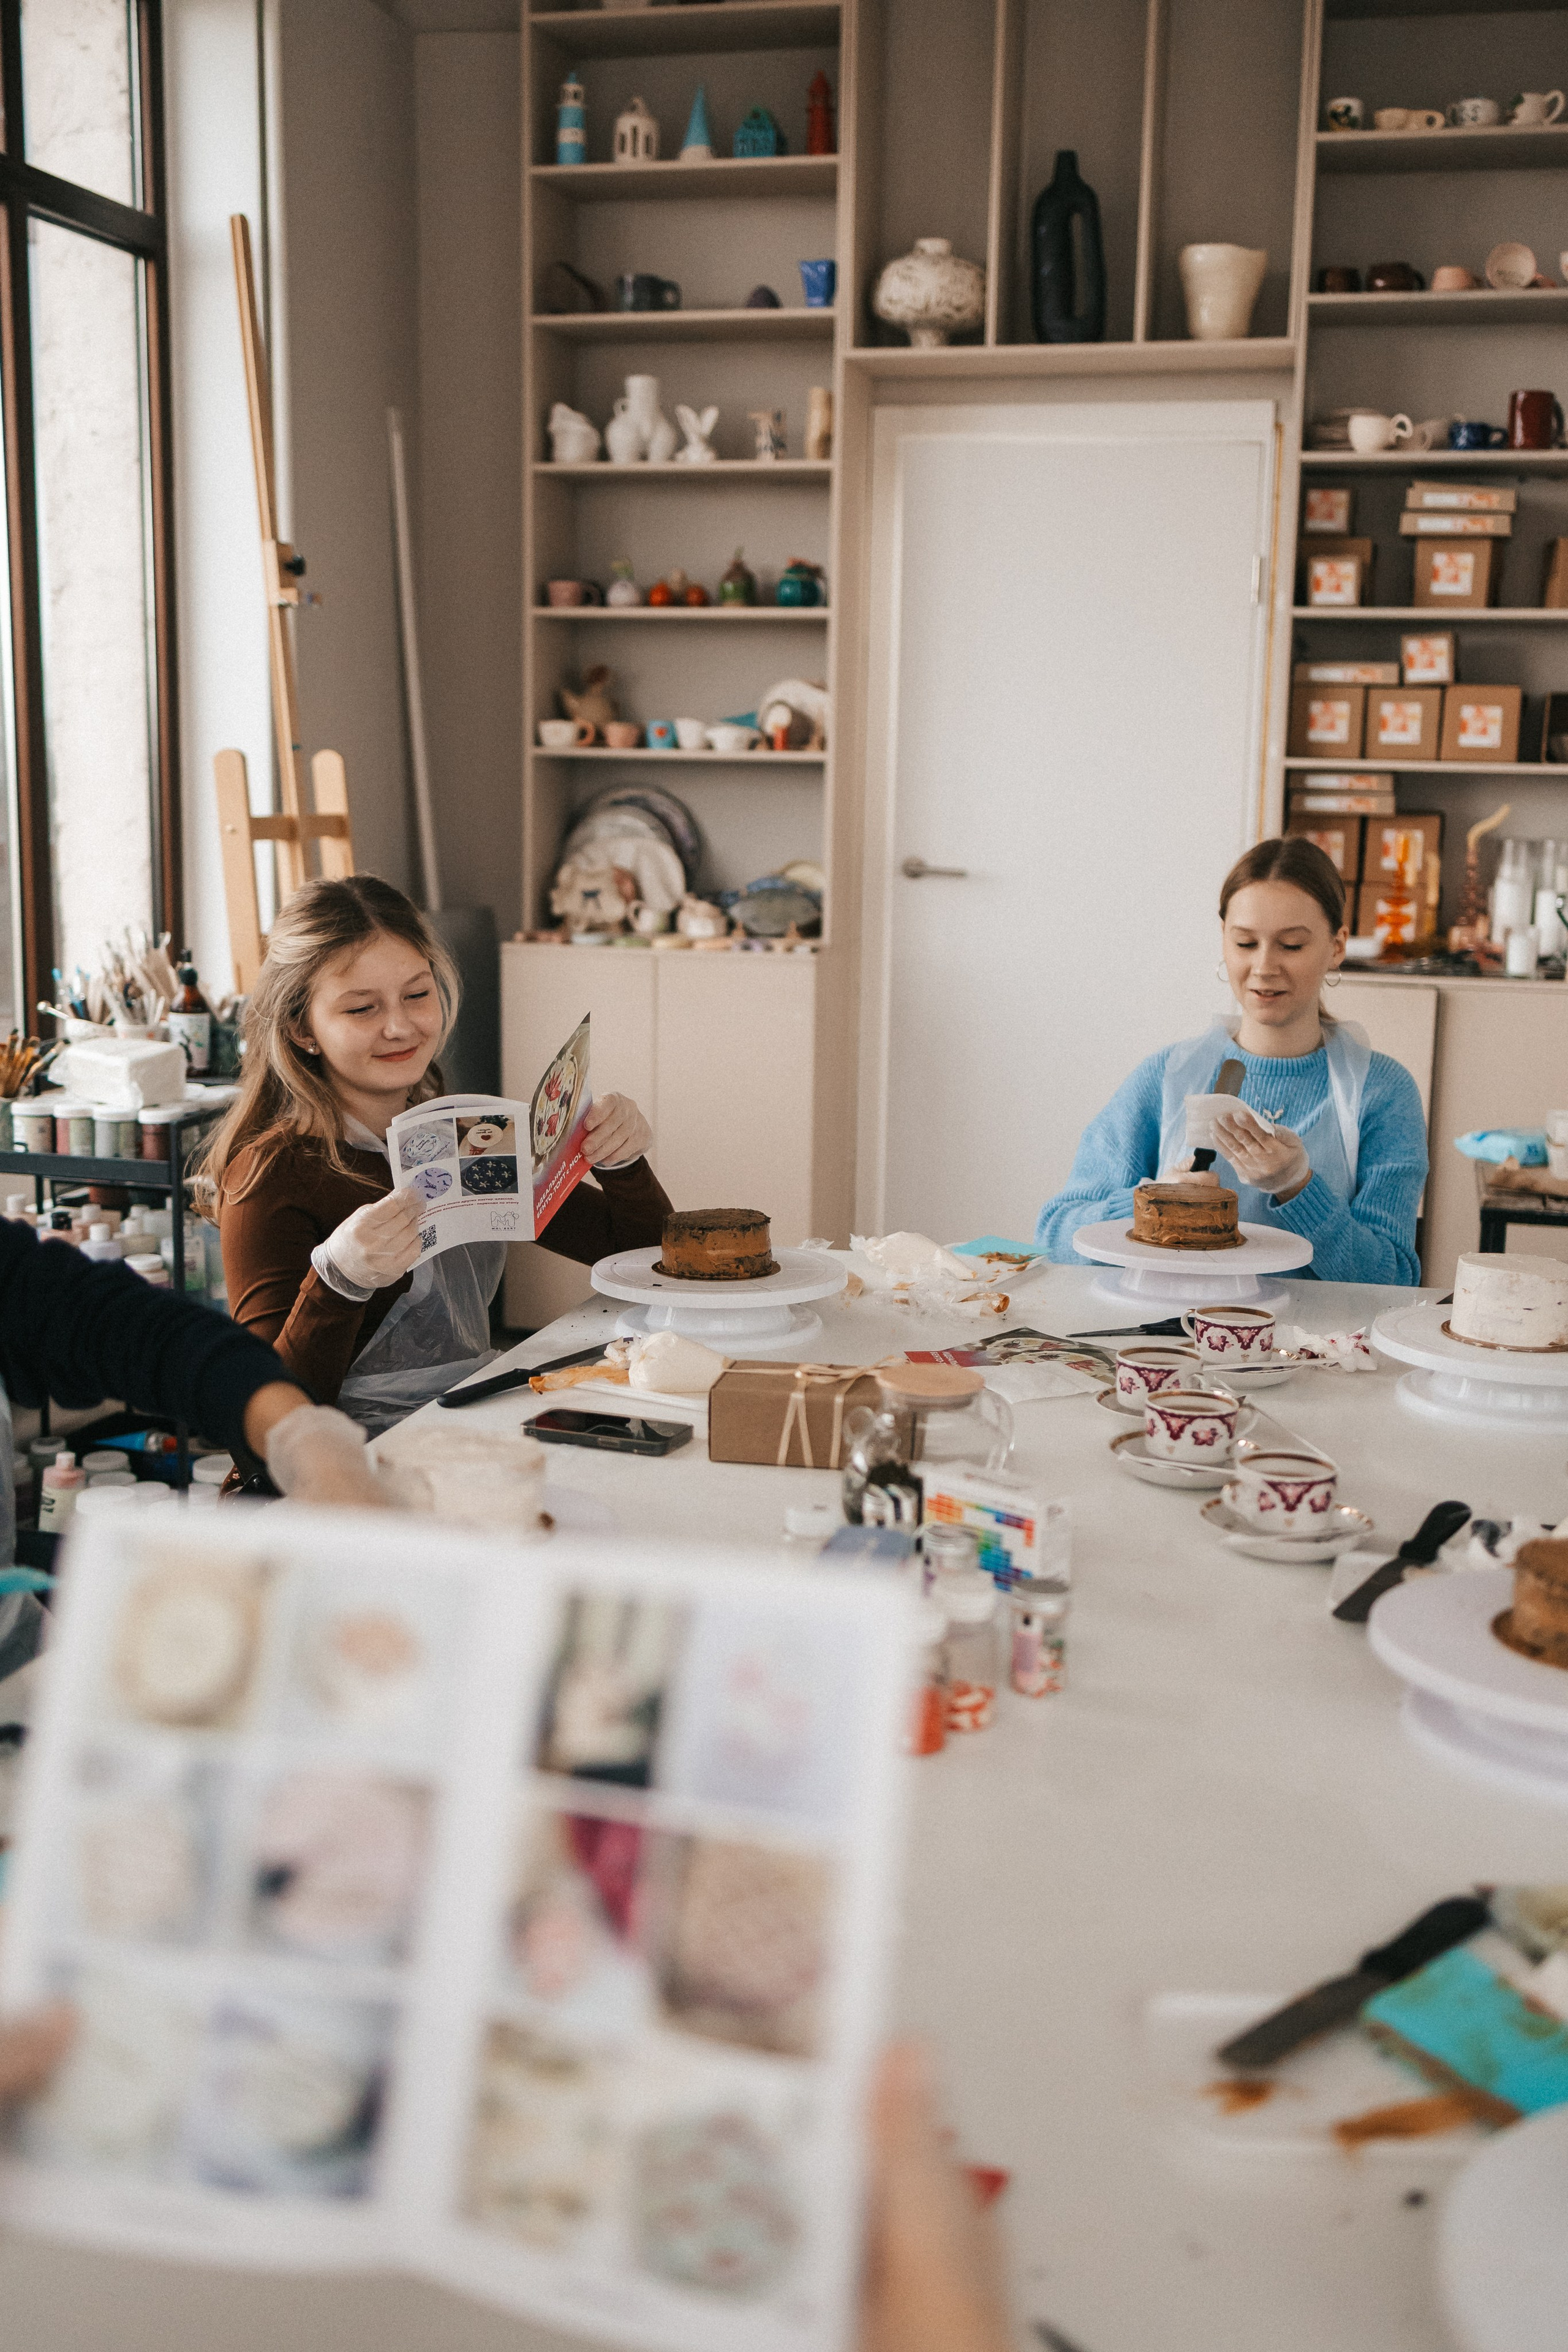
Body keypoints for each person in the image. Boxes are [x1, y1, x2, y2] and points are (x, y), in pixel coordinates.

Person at [203, 876, 671, 1434]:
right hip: (342, 1475)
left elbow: (652, 1261)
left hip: (465, 1424)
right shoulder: (272, 1176)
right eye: (361, 1009)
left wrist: (620, 1159)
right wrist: (338, 1281)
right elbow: (264, 1425)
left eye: (418, 994)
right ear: (302, 1028)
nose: (400, 1026)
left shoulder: (466, 1136)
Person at [1036, 837, 1427, 1284]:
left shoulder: (1383, 1092)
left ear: (1337, 946)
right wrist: (1151, 1205)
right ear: (1223, 940)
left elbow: (1392, 1280)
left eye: (1292, 946)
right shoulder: (1167, 1078)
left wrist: (1299, 1188)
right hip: (1172, 1341)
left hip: (1314, 1347)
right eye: (1245, 943)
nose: (1264, 967)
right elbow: (1055, 1236)